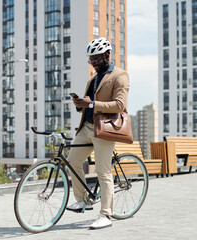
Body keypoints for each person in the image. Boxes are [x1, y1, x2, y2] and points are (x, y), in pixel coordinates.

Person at [66, 37, 130, 230]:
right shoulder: (92, 79)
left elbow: (119, 104)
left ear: (107, 55)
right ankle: (83, 200)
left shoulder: (120, 75)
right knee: (72, 161)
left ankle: (106, 215)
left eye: (96, 59)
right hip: (86, 126)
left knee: (103, 171)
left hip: (105, 128)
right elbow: (89, 104)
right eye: (90, 60)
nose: (93, 63)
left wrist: (92, 104)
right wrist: (81, 104)